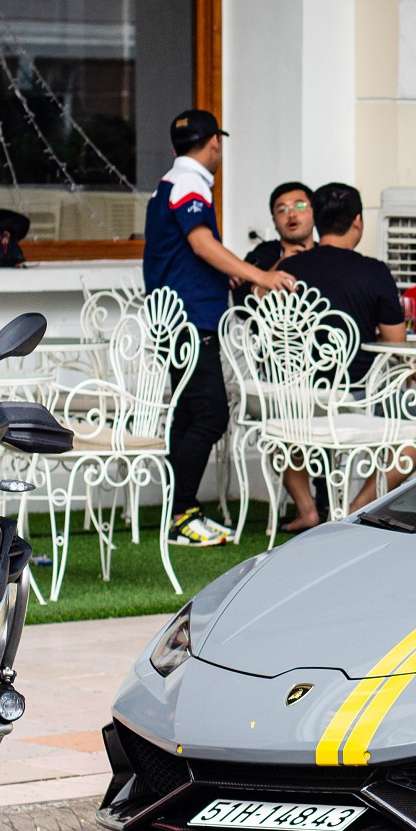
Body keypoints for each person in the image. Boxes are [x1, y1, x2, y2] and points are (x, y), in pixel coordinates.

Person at [142, 108, 296, 547]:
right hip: (190, 321)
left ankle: (182, 511)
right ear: (213, 143)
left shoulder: (170, 183)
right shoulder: (189, 182)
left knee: (189, 416)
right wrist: (258, 275)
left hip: (177, 317)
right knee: (211, 414)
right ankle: (181, 516)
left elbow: (190, 252)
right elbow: (200, 242)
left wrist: (223, 272)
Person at [274, 182, 410, 531]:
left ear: (316, 221)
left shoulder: (290, 270)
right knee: (414, 442)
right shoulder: (374, 272)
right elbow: (397, 345)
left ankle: (307, 509)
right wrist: (415, 379)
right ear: (358, 222)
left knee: (283, 431)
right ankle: (352, 511)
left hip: (303, 395)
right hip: (361, 393)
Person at [233, 181, 313, 305]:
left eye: (300, 206)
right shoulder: (261, 255)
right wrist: (282, 262)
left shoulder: (325, 253)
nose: (291, 214)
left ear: (315, 212)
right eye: (282, 210)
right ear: (274, 220)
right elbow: (242, 305)